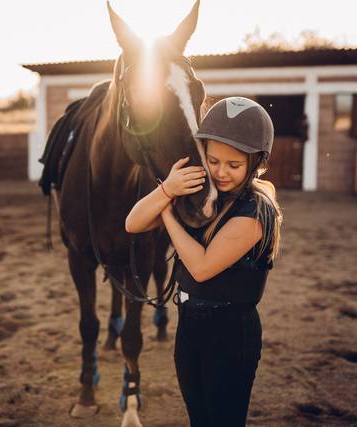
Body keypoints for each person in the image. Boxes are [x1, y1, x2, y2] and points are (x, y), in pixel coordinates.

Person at [125, 97, 283, 426]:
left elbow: (201, 266)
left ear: (256, 163)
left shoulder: (256, 211)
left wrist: (167, 210)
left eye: (234, 165)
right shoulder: (199, 196)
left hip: (230, 335)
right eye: (213, 161)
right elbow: (133, 223)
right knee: (199, 418)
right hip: (189, 326)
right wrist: (166, 189)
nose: (221, 172)